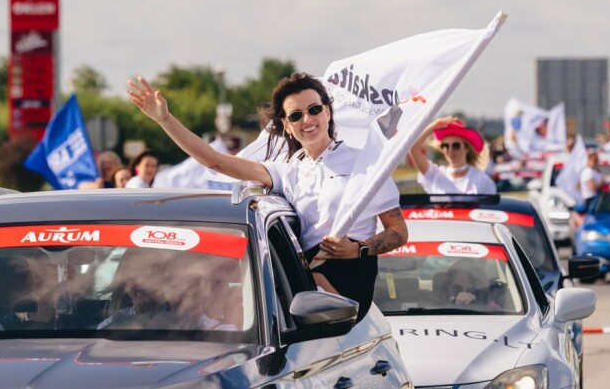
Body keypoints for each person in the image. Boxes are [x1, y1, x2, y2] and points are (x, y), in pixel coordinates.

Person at [128, 71, 407, 317]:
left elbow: (398, 232)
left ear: (328, 112)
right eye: (296, 116)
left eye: (314, 109)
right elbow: (215, 161)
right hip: (307, 273)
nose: (307, 120)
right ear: (286, 125)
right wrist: (165, 120)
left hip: (350, 276)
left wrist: (358, 250)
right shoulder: (287, 171)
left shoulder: (366, 162)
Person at [408, 118, 496, 195]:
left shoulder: (482, 180)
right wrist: (436, 124)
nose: (450, 150)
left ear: (467, 148)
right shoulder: (436, 175)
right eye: (445, 146)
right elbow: (413, 148)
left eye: (456, 145)